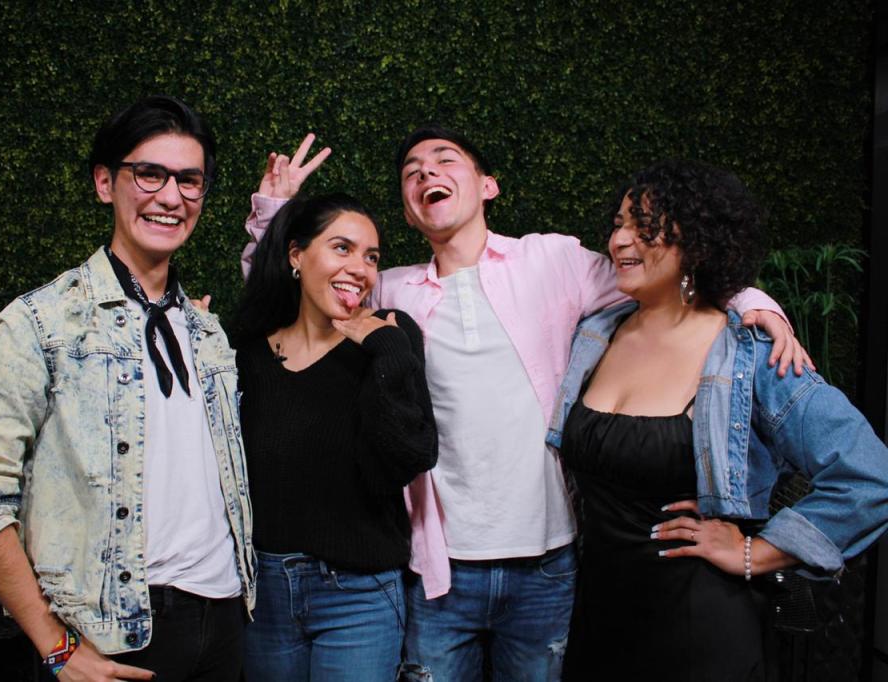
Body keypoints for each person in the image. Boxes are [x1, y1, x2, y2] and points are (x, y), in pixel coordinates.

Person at [241, 129, 807, 681]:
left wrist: (755, 304)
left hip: (548, 564)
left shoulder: (551, 259)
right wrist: (274, 213)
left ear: (488, 186)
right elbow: (296, 297)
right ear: (410, 213)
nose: (426, 171)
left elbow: (662, 273)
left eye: (445, 159)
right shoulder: (390, 289)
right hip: (439, 571)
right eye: (412, 172)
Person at [0, 95, 254, 682]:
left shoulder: (206, 332)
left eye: (189, 180)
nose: (171, 197)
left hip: (225, 618)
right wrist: (55, 646)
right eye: (149, 173)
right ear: (106, 183)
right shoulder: (42, 323)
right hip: (111, 634)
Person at [548, 159, 888, 680]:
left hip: (698, 628)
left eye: (646, 226)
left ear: (698, 243)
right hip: (598, 618)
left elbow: (868, 475)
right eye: (618, 224)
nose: (620, 240)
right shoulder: (594, 334)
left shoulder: (750, 352)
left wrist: (756, 552)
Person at [230, 193, 437, 681]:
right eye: (342, 248)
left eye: (371, 257)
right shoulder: (247, 352)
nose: (360, 269)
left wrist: (387, 351)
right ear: (296, 255)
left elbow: (410, 455)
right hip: (265, 595)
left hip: (359, 596)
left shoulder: (390, 335)